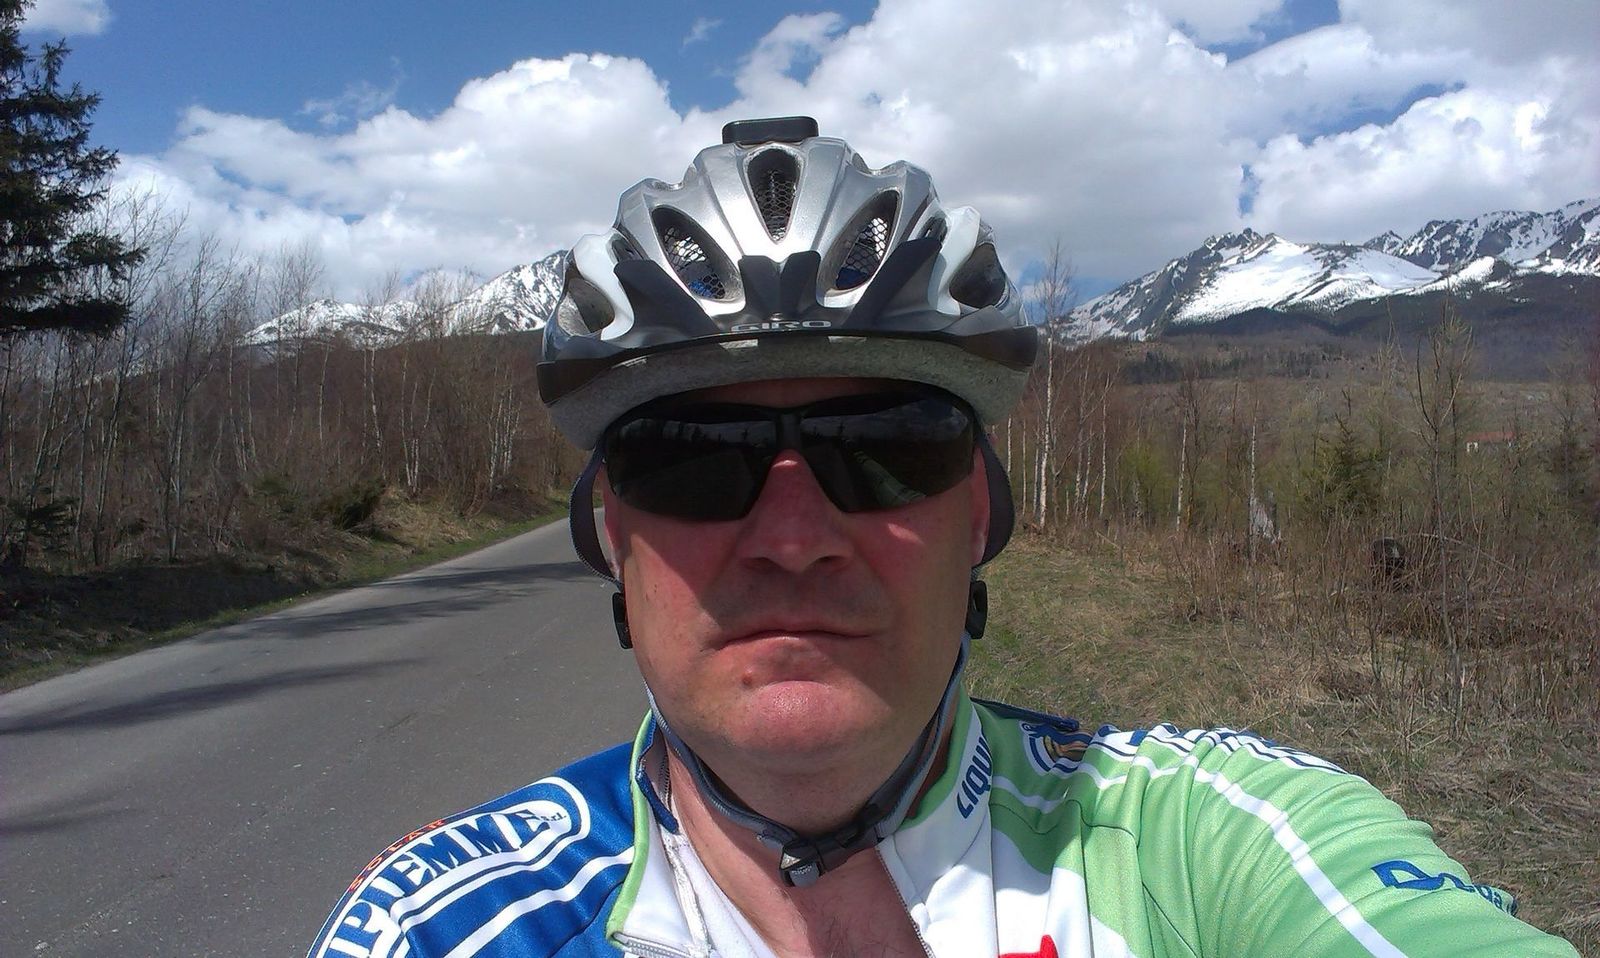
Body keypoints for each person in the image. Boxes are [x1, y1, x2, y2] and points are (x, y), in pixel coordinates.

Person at [307, 117, 1578, 958]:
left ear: (978, 516)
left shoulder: (1210, 838)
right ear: (611, 535)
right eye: (693, 458)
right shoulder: (450, 924)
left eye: (885, 448)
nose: (793, 536)